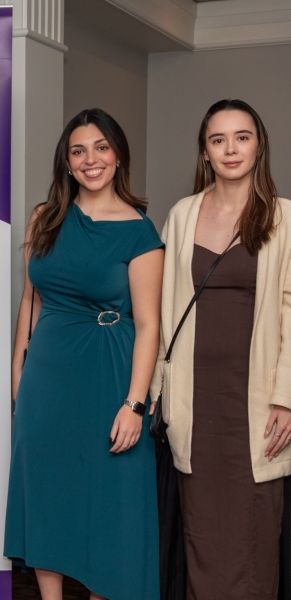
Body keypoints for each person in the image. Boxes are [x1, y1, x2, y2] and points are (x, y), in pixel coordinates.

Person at [4, 109, 163, 600]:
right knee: (48, 490)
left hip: (109, 373)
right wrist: (18, 369)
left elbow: (149, 322)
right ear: (67, 163)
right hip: (47, 375)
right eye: (78, 150)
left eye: (101, 147)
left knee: (108, 500)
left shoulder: (139, 229)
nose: (90, 159)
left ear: (118, 156)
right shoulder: (44, 217)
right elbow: (31, 299)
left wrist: (135, 403)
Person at [152, 99, 291, 599]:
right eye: (218, 139)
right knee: (201, 533)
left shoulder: (284, 217)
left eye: (242, 137)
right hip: (193, 401)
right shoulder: (183, 214)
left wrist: (286, 396)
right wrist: (154, 392)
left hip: (254, 404)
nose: (231, 149)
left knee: (253, 534)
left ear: (259, 144)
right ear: (205, 152)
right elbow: (161, 309)